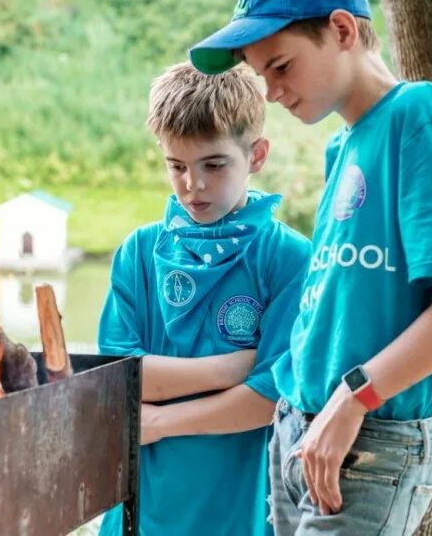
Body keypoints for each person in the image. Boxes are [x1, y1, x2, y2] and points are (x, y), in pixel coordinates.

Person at [189, 0, 432, 535]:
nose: (271, 92)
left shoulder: (417, 116)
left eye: (281, 66)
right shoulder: (343, 147)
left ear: (341, 30)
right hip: (301, 432)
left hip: (370, 440)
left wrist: (353, 400)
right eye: (261, 75)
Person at [97, 61, 312, 535]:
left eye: (213, 165)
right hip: (140, 513)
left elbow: (271, 398)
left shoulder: (288, 258)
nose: (193, 186)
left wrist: (158, 422)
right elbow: (115, 381)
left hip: (236, 512)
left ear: (256, 155)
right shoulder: (138, 252)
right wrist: (235, 367)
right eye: (177, 166)